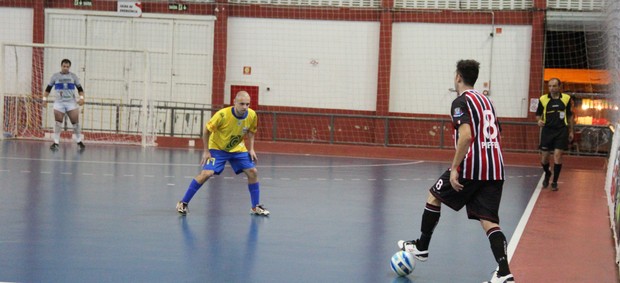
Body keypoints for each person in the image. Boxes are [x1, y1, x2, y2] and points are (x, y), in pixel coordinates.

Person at [398, 60, 514, 283]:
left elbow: (467, 136)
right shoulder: (487, 101)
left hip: (471, 166)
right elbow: (496, 132)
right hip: (496, 168)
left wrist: (455, 168)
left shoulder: (460, 102)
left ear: (458, 77)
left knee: (434, 195)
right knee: (489, 221)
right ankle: (504, 273)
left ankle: (422, 247)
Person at [176, 91, 269, 216]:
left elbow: (251, 132)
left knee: (253, 172)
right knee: (206, 173)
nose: (245, 107)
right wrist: (206, 151)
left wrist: (251, 149)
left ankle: (255, 207)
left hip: (237, 148)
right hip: (217, 148)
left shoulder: (252, 115)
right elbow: (206, 131)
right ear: (234, 102)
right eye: (242, 104)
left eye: (247, 104)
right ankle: (183, 202)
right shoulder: (222, 115)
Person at [535, 78, 574, 191]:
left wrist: (571, 130)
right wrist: (539, 121)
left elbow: (570, 116)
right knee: (544, 158)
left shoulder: (566, 99)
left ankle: (555, 182)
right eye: (550, 86)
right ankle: (547, 173)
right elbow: (538, 114)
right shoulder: (543, 99)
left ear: (559, 87)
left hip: (561, 131)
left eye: (554, 86)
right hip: (547, 131)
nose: (551, 88)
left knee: (557, 155)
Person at [43, 59, 85, 151]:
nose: (65, 68)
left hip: (71, 103)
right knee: (58, 123)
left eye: (67, 66)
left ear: (69, 67)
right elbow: (47, 90)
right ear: (61, 66)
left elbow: (80, 89)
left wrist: (82, 99)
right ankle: (56, 143)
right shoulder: (55, 76)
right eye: (64, 66)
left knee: (76, 124)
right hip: (59, 103)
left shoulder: (73, 76)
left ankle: (79, 141)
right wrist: (44, 99)